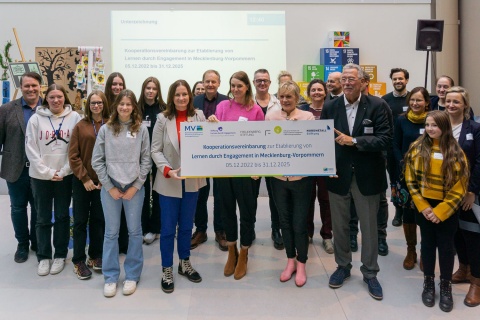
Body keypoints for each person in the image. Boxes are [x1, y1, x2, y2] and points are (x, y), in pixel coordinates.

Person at [321, 63, 392, 300]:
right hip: (338, 175)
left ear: (363, 82)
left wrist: (354, 141)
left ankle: (370, 273)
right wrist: (325, 167)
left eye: (352, 78)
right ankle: (342, 266)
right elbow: (322, 139)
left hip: (368, 176)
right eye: (344, 79)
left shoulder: (377, 105)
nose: (348, 83)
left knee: (369, 227)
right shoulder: (330, 106)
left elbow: (385, 139)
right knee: (339, 226)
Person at [404, 110, 469, 312]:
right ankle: (429, 282)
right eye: (428, 124)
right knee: (428, 245)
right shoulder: (416, 147)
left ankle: (446, 285)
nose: (430, 129)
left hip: (447, 208)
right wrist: (424, 207)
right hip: (424, 207)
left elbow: (460, 185)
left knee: (447, 247)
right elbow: (410, 180)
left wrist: (440, 211)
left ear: (444, 127)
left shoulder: (455, 151)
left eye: (435, 125)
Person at [92, 89, 151, 298]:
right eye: (121, 104)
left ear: (134, 106)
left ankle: (132, 275)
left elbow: (146, 160)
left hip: (134, 187)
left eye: (129, 104)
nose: (125, 107)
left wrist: (136, 185)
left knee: (135, 233)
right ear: (115, 106)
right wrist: (109, 186)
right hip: (111, 188)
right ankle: (110, 277)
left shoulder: (141, 129)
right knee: (111, 233)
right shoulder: (106, 129)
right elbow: (97, 161)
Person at [208, 71, 264, 280]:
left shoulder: (256, 110)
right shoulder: (222, 107)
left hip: (246, 170)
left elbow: (261, 141)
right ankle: (232, 251)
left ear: (247, 87)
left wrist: (258, 167)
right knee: (226, 211)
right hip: (224, 169)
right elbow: (215, 137)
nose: (235, 89)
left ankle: (245, 252)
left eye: (239, 85)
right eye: (232, 85)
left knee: (247, 213)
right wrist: (211, 125)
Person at [151, 80, 206, 294]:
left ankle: (184, 262)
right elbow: (155, 150)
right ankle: (167, 268)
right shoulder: (162, 119)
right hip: (169, 180)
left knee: (185, 227)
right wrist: (167, 170)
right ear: (171, 97)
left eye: (184, 94)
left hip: (192, 182)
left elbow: (208, 141)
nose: (181, 98)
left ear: (190, 96)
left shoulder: (199, 116)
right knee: (167, 229)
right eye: (177, 95)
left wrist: (213, 123)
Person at [25, 83, 81, 276]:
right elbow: (31, 150)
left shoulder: (74, 118)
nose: (56, 100)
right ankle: (43, 256)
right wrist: (48, 172)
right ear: (46, 99)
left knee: (63, 216)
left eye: (59, 97)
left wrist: (64, 170)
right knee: (42, 218)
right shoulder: (35, 120)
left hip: (65, 176)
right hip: (40, 177)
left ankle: (60, 255)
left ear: (64, 97)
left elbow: (76, 148)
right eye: (52, 97)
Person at [266, 80, 314, 287]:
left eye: (289, 97)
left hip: (302, 180)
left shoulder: (307, 117)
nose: (285, 100)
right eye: (282, 97)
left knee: (299, 223)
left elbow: (314, 145)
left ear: (297, 98)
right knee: (284, 221)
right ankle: (290, 261)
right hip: (278, 179)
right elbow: (265, 144)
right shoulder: (271, 116)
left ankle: (302, 263)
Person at [0, 72, 42, 263]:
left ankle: (36, 241)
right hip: (15, 168)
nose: (31, 89)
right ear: (21, 87)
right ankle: (22, 244)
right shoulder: (7, 109)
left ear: (40, 86)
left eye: (34, 85)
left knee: (38, 207)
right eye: (27, 86)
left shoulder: (48, 108)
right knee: (18, 208)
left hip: (40, 170)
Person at [68, 90, 109, 280]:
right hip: (82, 183)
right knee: (80, 222)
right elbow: (73, 156)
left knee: (99, 220)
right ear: (88, 105)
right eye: (93, 103)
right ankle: (78, 260)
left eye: (99, 102)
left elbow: (115, 155)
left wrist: (104, 178)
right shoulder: (80, 126)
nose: (96, 106)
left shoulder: (111, 125)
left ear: (104, 104)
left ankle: (95, 256)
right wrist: (84, 178)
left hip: (102, 182)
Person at [445, 87, 480, 307]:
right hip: (446, 192)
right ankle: (464, 268)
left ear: (465, 105)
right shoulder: (440, 126)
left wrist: (472, 191)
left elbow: (479, 161)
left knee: (473, 236)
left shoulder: (475, 128)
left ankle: (476, 281)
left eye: (456, 102)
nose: (451, 105)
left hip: (468, 193)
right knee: (455, 231)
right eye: (448, 101)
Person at [392, 87, 430, 270]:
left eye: (419, 100)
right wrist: (401, 161)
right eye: (412, 100)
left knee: (425, 213)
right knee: (408, 214)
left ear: (427, 102)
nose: (415, 103)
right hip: (405, 174)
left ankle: (425, 252)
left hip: (428, 175)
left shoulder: (433, 120)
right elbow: (395, 143)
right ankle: (411, 250)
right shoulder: (402, 119)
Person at [191, 70, 229, 251]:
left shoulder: (226, 102)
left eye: (213, 81)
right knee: (200, 194)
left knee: (221, 195)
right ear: (203, 83)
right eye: (207, 81)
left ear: (219, 83)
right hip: (201, 154)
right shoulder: (194, 101)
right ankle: (201, 230)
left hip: (221, 153)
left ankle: (220, 231)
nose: (210, 84)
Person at [298, 79, 333, 254]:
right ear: (309, 92)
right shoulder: (302, 110)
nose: (317, 92)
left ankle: (327, 236)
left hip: (326, 160)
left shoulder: (332, 109)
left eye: (320, 89)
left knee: (326, 200)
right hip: (307, 161)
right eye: (313, 90)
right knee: (307, 198)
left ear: (325, 92)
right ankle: (308, 234)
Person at [252, 68, 283, 250]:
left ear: (270, 83)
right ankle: (250, 228)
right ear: (254, 83)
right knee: (251, 195)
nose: (262, 83)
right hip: (253, 156)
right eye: (258, 80)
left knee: (275, 195)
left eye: (265, 80)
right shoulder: (247, 103)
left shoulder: (279, 103)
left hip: (273, 155)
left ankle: (276, 229)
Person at [138, 77, 166, 244]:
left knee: (157, 192)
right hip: (139, 157)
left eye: (154, 88)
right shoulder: (136, 108)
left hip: (159, 156)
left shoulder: (163, 109)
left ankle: (156, 228)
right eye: (147, 88)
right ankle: (142, 227)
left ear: (158, 91)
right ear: (143, 89)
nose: (150, 91)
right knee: (142, 191)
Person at [382, 68, 410, 227]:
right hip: (392, 148)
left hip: (410, 147)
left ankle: (410, 211)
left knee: (410, 180)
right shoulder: (385, 100)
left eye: (401, 79)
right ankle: (398, 211)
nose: (398, 81)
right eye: (395, 79)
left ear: (406, 80)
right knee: (395, 181)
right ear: (391, 81)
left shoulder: (413, 98)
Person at [104, 72, 129, 254]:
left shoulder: (128, 107)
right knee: (110, 219)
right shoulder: (103, 106)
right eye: (114, 84)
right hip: (109, 170)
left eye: (120, 84)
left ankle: (124, 244)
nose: (117, 87)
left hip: (128, 172)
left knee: (128, 217)